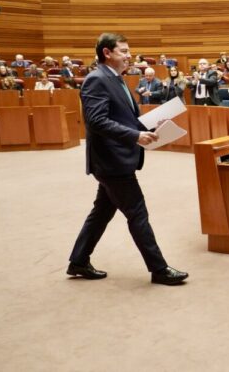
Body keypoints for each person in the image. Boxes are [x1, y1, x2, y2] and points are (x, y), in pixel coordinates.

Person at [67, 32, 188, 285]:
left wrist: (152, 125)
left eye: (128, 50)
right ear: (106, 53)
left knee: (102, 211)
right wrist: (134, 136)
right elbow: (96, 121)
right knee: (138, 213)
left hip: (116, 158)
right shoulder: (96, 80)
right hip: (112, 161)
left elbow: (121, 116)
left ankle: (78, 261)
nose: (129, 55)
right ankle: (159, 269)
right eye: (123, 51)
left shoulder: (117, 79)